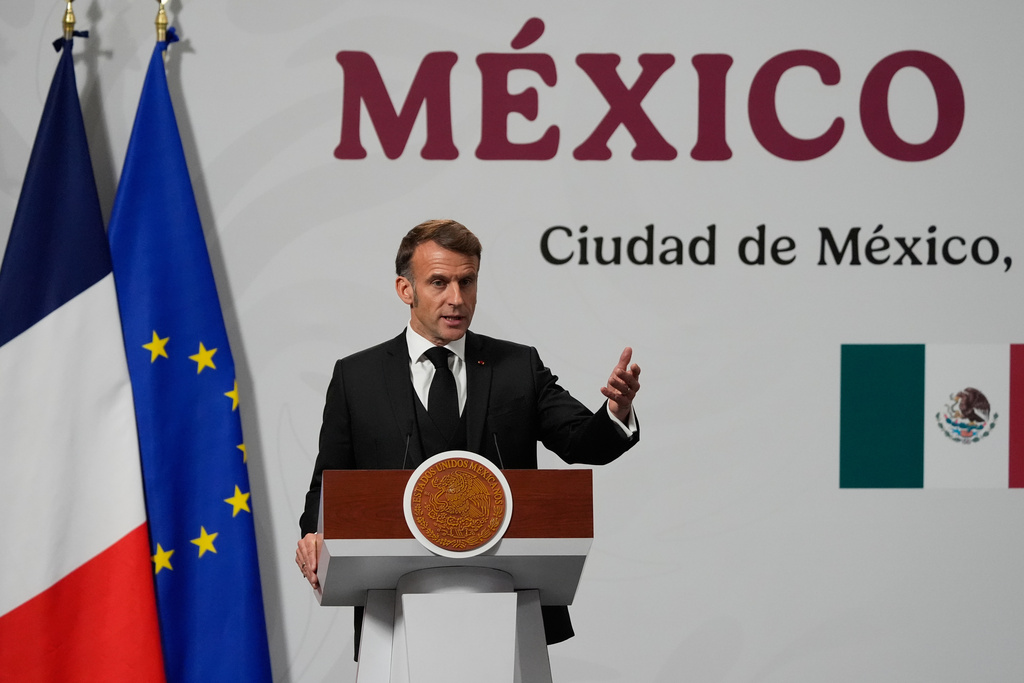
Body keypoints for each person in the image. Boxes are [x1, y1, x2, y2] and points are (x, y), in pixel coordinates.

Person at [296, 219, 641, 654]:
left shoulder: (516, 367)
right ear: (406, 289)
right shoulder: (357, 376)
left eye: (467, 281)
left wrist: (616, 410)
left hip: (508, 600)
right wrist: (314, 533)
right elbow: (328, 482)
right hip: (391, 605)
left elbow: (582, 441)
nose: (456, 299)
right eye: (439, 282)